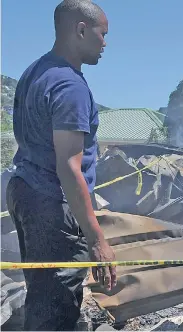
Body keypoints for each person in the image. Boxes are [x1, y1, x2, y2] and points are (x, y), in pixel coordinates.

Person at [6, 1, 115, 330]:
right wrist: (97, 239)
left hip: (25, 190)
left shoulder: (34, 72)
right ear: (81, 30)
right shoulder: (70, 87)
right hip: (51, 203)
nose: (106, 43)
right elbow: (69, 167)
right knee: (56, 310)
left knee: (42, 296)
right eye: (102, 34)